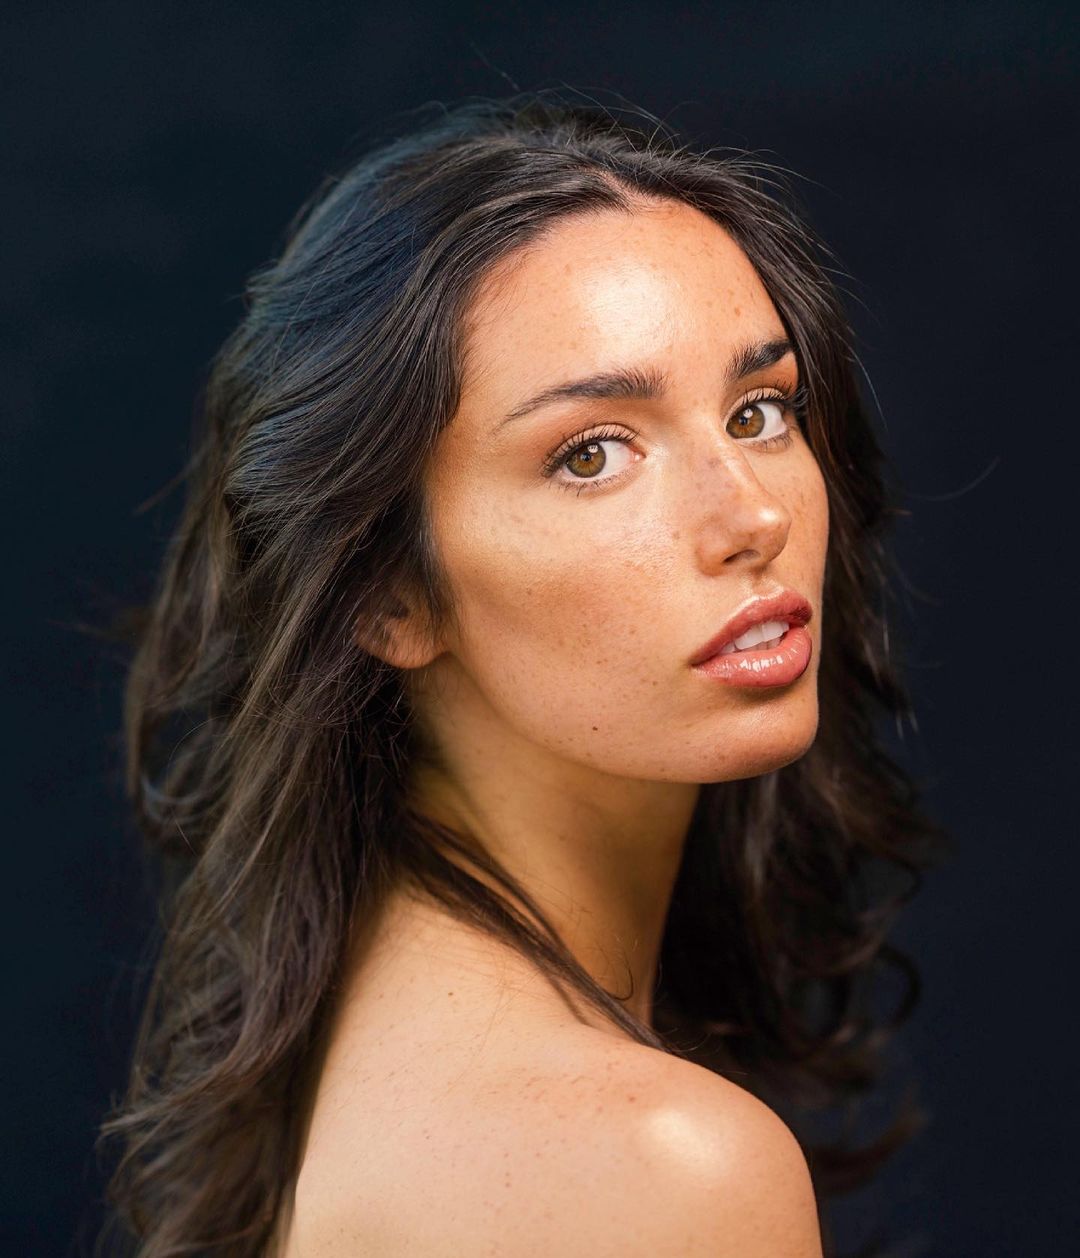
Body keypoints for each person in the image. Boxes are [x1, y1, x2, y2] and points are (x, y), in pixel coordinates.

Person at [98, 92, 942, 1257]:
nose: (752, 515)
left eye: (760, 410)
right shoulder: (655, 1164)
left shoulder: (365, 1039)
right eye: (592, 453)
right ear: (387, 592)